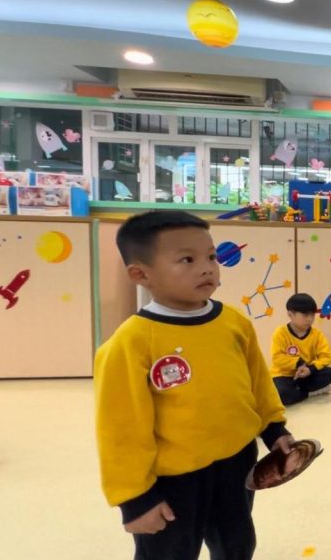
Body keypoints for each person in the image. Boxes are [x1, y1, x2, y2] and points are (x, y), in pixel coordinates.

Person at [94, 211, 295, 560]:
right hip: (172, 480)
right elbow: (120, 429)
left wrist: (274, 428)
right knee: (170, 553)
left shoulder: (234, 323)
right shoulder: (131, 342)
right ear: (141, 274)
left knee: (236, 545)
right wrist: (135, 499)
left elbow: (258, 383)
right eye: (187, 259)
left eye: (211, 257)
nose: (206, 268)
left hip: (236, 464)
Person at [270, 293, 331, 405]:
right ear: (290, 314)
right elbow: (277, 358)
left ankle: (299, 390)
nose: (310, 319)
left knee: (329, 373)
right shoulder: (280, 333)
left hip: (307, 374)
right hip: (284, 375)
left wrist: (310, 369)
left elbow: (326, 356)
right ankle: (307, 392)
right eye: (305, 315)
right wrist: (298, 363)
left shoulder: (317, 334)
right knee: (282, 394)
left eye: (312, 315)